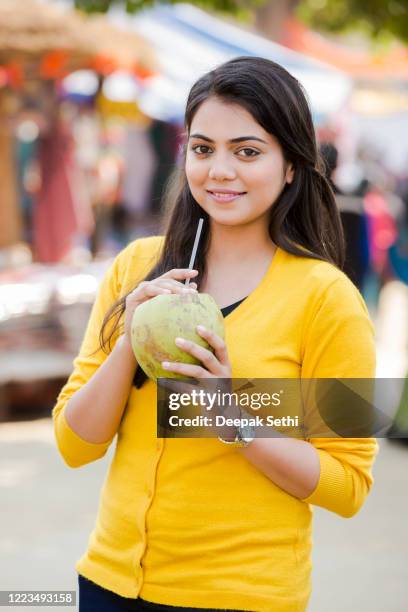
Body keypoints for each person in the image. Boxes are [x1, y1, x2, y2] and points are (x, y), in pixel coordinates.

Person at [52, 57, 378, 612]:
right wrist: (132, 340)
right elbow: (73, 445)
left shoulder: (326, 298)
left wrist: (231, 415)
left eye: (247, 151)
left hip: (239, 597)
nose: (219, 171)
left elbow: (348, 486)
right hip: (107, 583)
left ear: (292, 165)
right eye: (202, 149)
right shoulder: (137, 268)